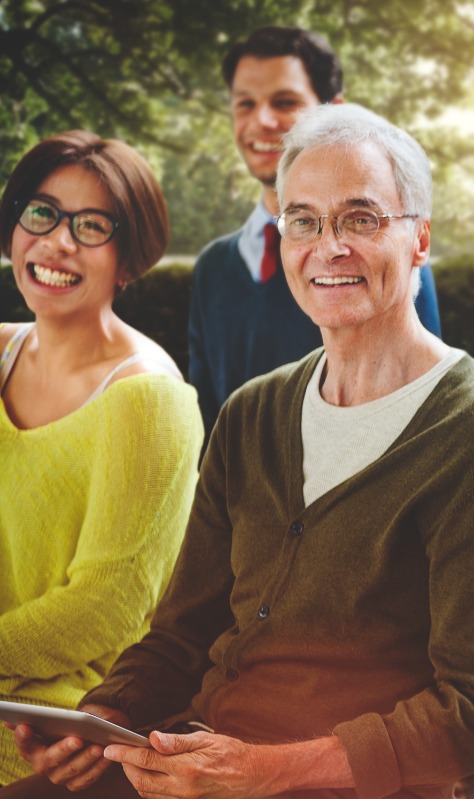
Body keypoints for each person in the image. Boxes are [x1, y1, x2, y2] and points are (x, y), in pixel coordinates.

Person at [4, 104, 474, 799]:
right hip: (194, 763)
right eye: (303, 221)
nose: (329, 246)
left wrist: (260, 771)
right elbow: (180, 634)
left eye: (360, 218)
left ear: (420, 239)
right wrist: (105, 717)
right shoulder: (252, 413)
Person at [0, 133, 202, 784]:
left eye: (91, 226)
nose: (58, 241)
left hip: (56, 722)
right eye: (42, 213)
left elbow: (106, 606)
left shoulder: (149, 398)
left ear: (128, 258)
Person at [188, 26, 441, 433]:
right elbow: (206, 420)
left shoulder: (385, 258)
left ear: (334, 110)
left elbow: (416, 397)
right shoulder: (213, 268)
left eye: (284, 101)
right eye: (245, 104)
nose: (262, 120)